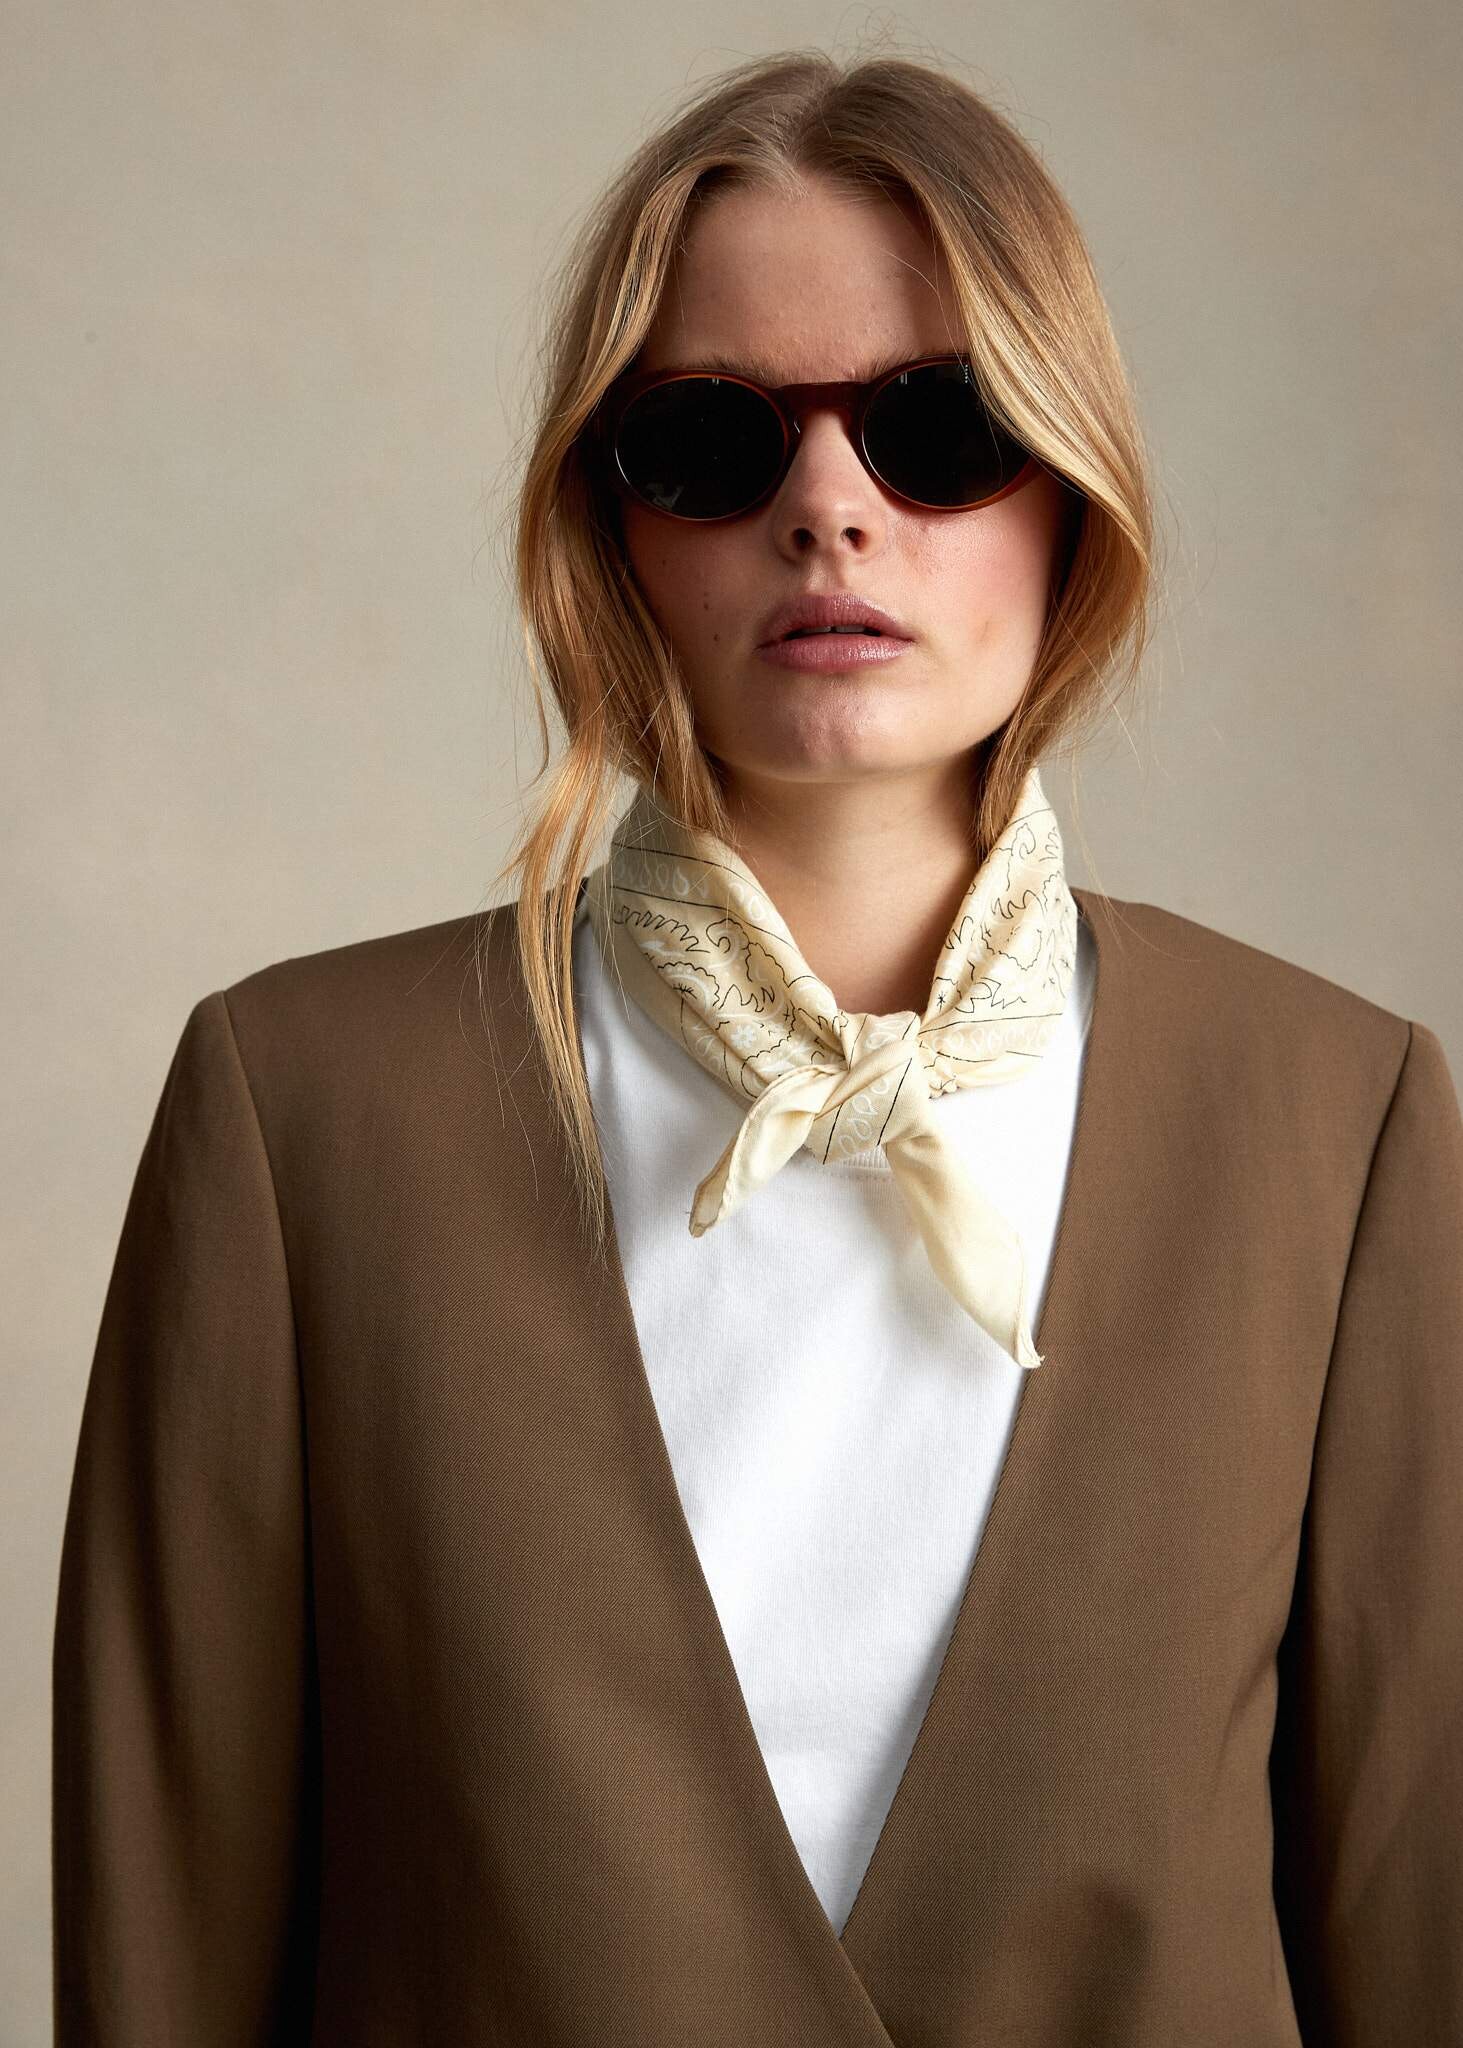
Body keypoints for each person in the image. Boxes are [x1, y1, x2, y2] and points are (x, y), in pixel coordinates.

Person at [52, 48, 1463, 2047]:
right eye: (714, 440)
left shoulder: (1336, 1123)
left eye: (938, 426)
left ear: (1069, 492)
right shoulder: (305, 1120)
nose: (831, 509)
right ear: (612, 519)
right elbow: (163, 1964)